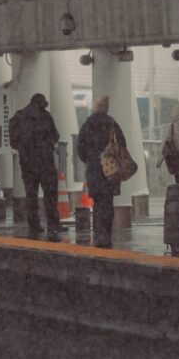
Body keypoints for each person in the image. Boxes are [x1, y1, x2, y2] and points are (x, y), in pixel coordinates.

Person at [8, 93, 61, 241]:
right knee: (50, 196)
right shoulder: (45, 116)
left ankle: (34, 224)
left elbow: (13, 142)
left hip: (27, 164)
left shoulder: (18, 117)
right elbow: (56, 136)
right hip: (45, 163)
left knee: (31, 195)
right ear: (41, 103)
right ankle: (52, 225)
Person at [77, 96, 126, 248]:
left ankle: (99, 234)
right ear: (106, 108)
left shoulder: (87, 124)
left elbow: (80, 148)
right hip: (110, 170)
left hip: (94, 169)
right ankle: (107, 232)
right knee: (108, 202)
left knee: (97, 203)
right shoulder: (112, 123)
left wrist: (91, 160)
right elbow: (122, 145)